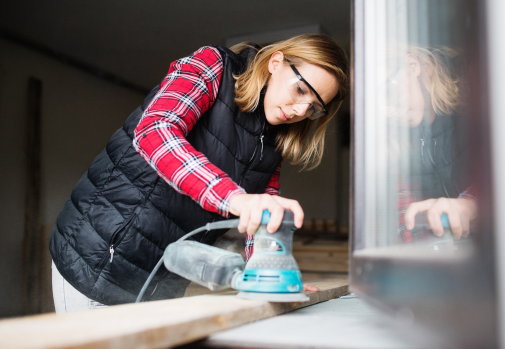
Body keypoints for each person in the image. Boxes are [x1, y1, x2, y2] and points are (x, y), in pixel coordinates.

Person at [49, 34, 349, 313]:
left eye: (313, 108)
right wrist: (236, 199)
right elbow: (155, 131)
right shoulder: (214, 66)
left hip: (164, 279)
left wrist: (274, 276)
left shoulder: (274, 138)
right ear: (276, 63)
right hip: (98, 257)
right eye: (300, 90)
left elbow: (261, 210)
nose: (300, 110)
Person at [387, 46, 477, 243]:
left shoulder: (476, 94)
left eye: (388, 91)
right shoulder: (402, 142)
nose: (388, 112)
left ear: (413, 66)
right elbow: (406, 219)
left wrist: (470, 204)